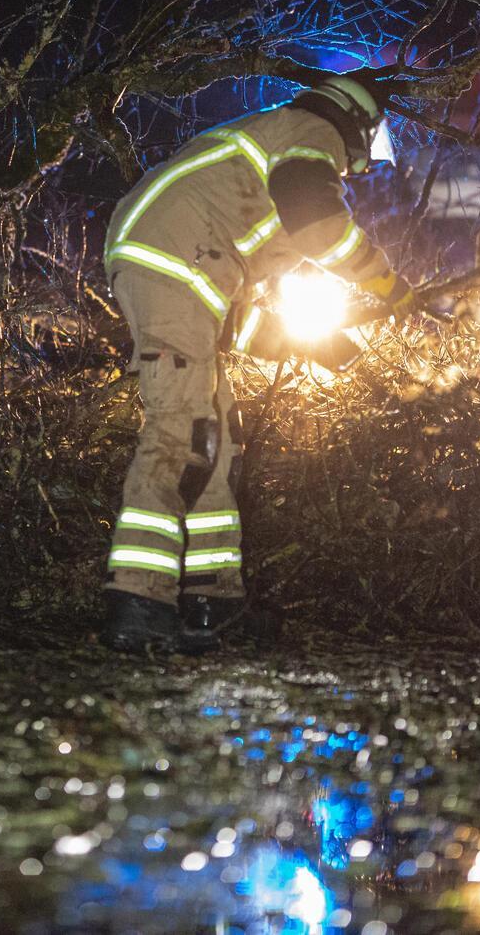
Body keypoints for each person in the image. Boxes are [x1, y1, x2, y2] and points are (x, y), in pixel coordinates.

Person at [100, 73, 417, 654]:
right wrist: (389, 284)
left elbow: (229, 323)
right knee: (183, 427)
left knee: (218, 432)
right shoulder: (310, 131)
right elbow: (319, 224)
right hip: (172, 261)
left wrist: (311, 345)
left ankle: (211, 602)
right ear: (357, 120)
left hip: (188, 270)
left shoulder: (268, 160)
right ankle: (139, 599)